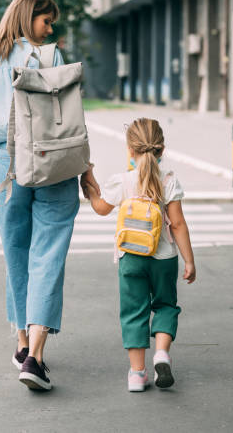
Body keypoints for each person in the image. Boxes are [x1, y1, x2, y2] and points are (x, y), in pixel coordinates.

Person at [0, 0, 99, 391]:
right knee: (48, 253)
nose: (50, 28)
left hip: (7, 168)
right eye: (46, 20)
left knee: (16, 255)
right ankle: (36, 359)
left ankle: (22, 344)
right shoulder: (50, 57)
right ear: (27, 18)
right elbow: (70, 121)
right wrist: (86, 169)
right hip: (51, 162)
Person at [81, 118, 196, 392]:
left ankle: (137, 374)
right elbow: (177, 224)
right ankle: (161, 354)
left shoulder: (121, 180)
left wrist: (89, 182)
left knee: (134, 312)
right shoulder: (169, 180)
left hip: (130, 257)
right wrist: (189, 260)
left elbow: (100, 208)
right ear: (161, 149)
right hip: (164, 257)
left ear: (129, 150)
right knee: (166, 305)